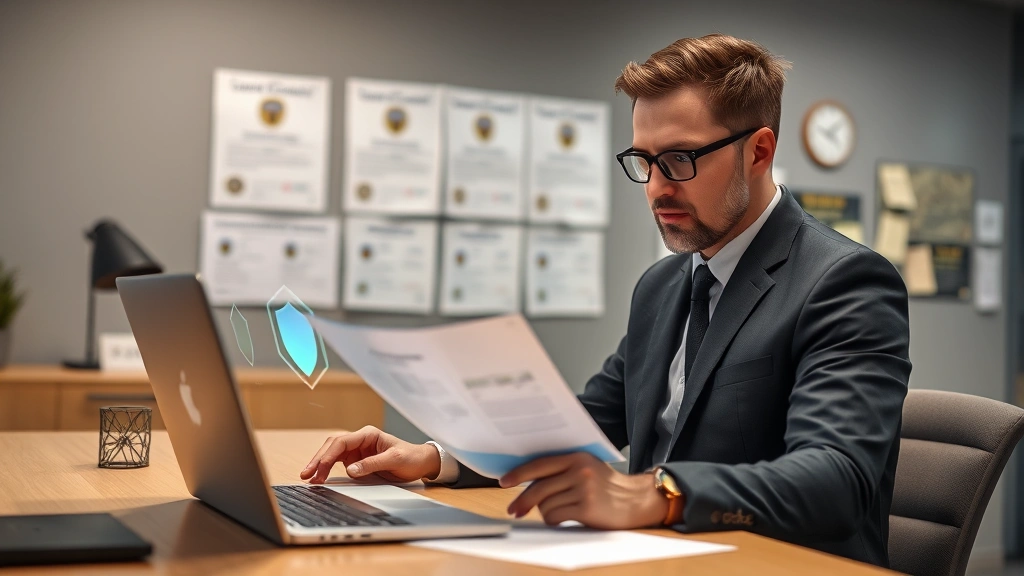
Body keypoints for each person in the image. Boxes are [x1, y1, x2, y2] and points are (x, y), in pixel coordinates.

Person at [300, 34, 911, 568]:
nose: (657, 187)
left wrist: (658, 492)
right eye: (643, 161)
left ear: (759, 151)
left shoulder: (845, 280)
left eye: (679, 159)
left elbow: (838, 478)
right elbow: (586, 422)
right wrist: (437, 458)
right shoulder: (664, 285)